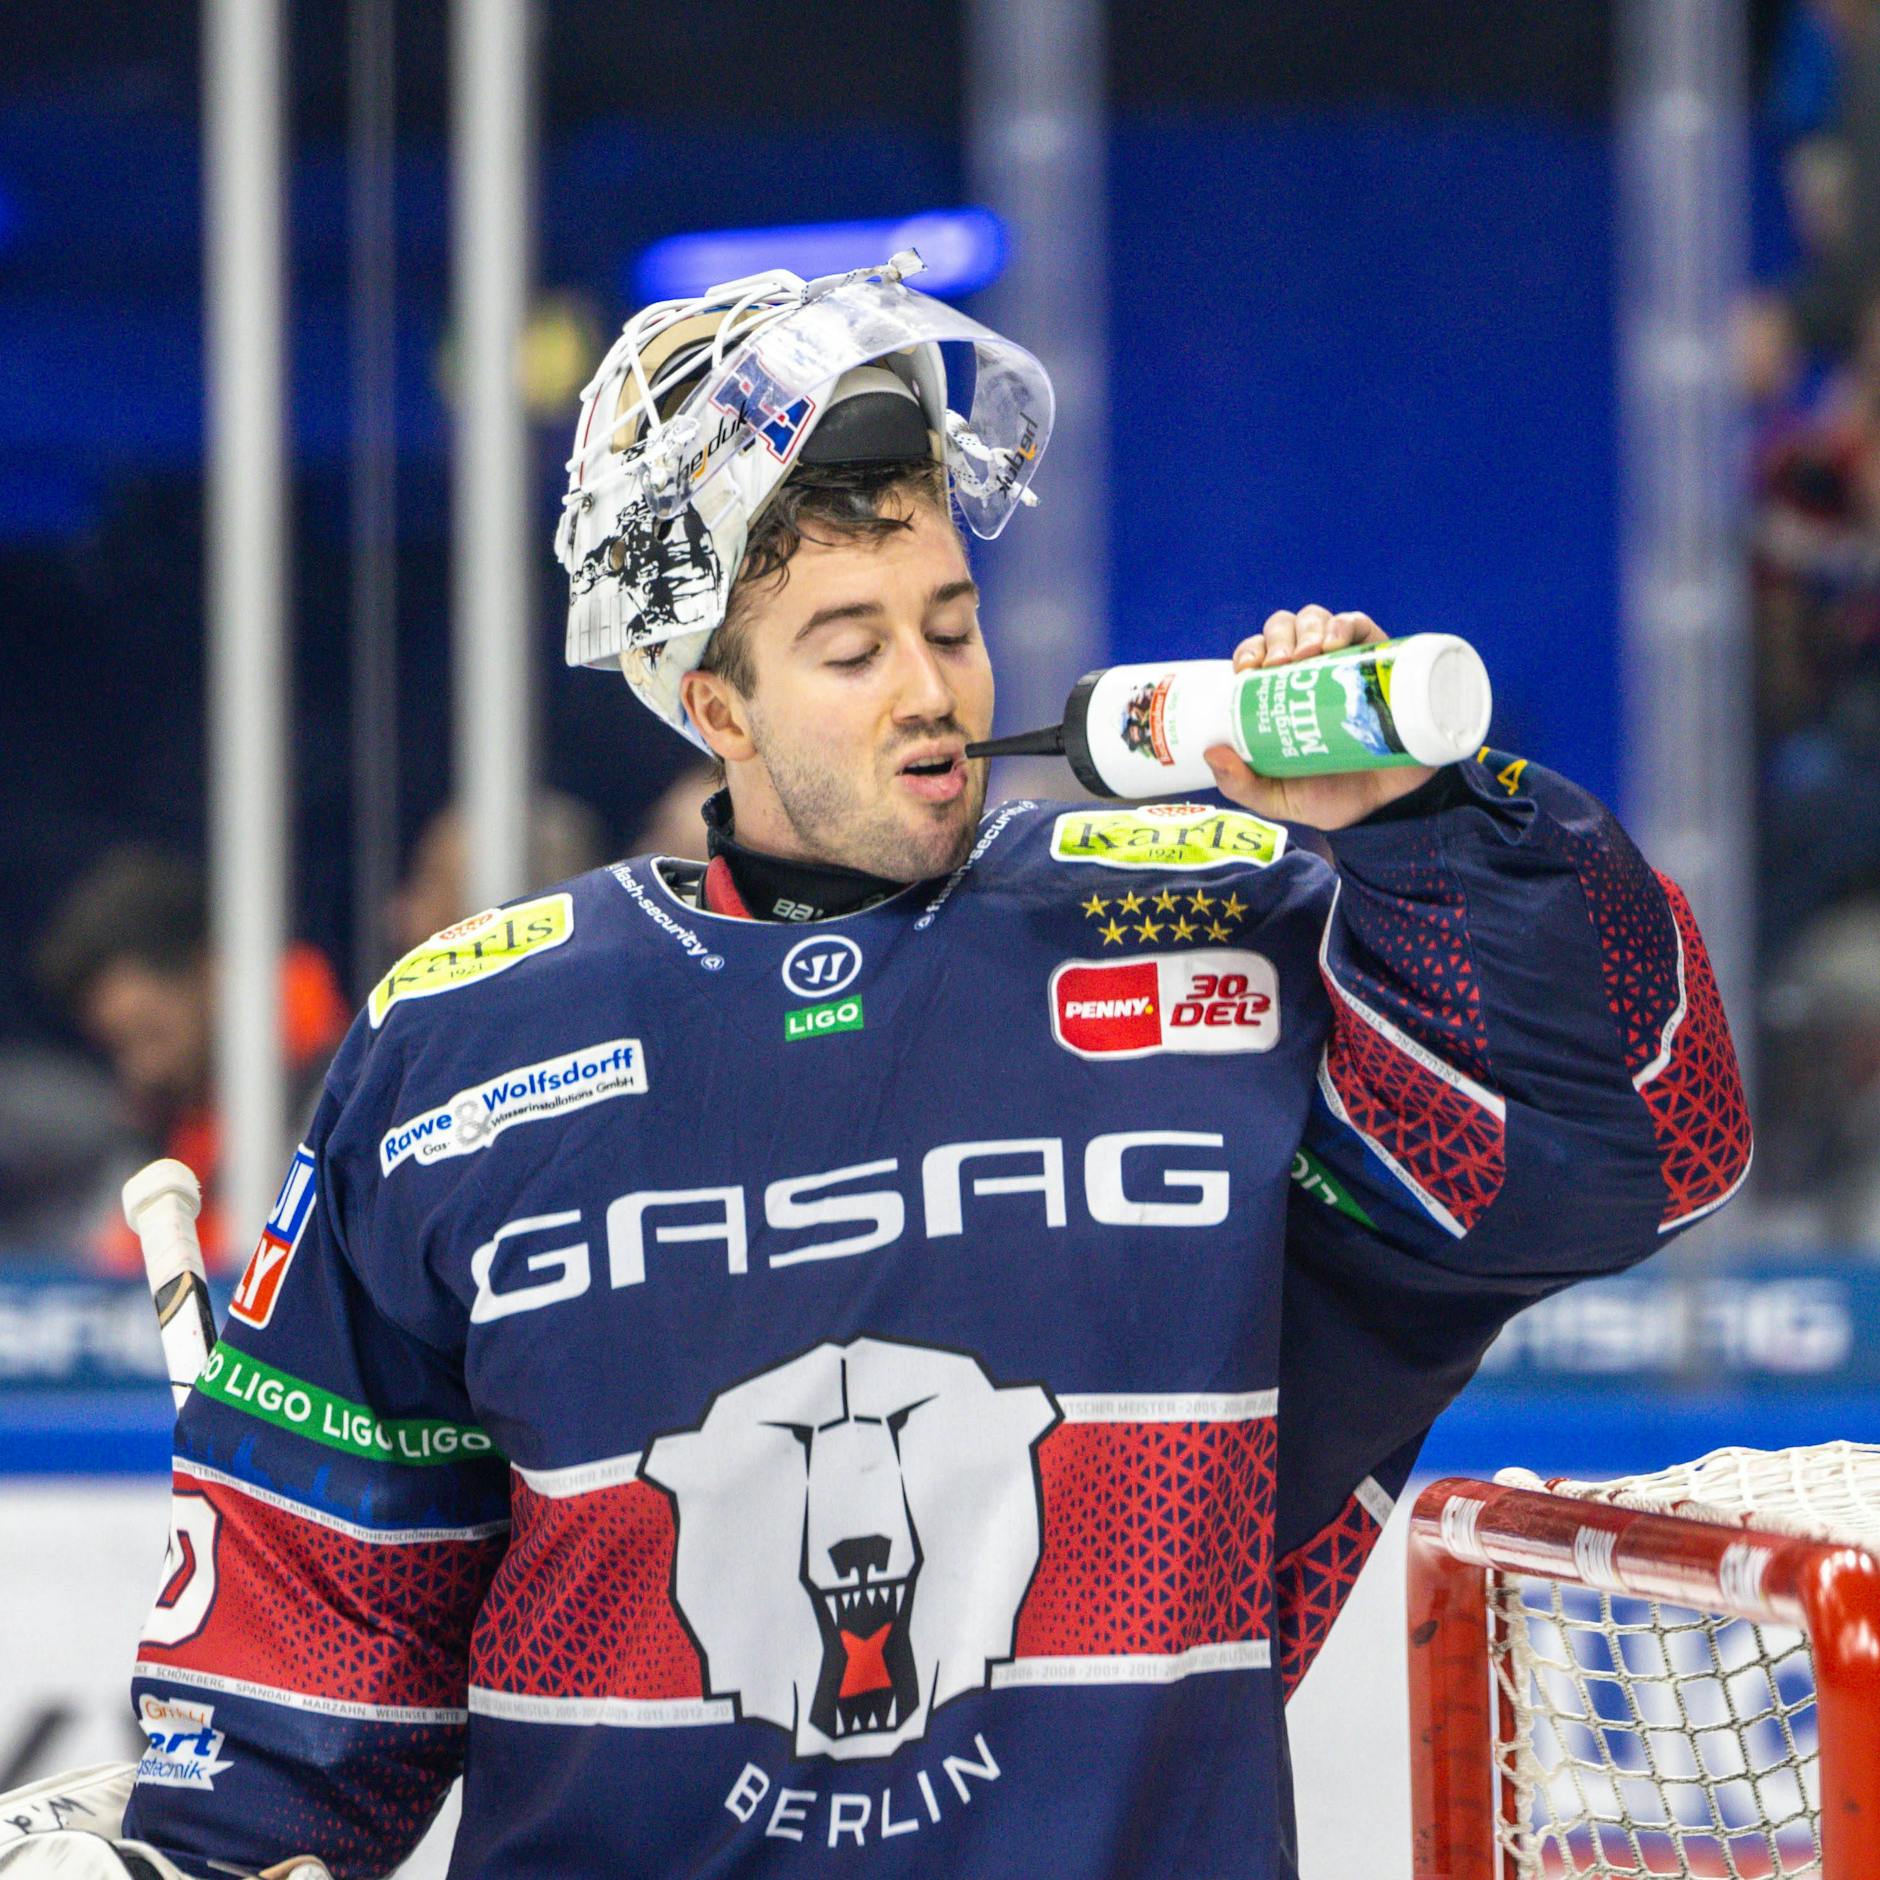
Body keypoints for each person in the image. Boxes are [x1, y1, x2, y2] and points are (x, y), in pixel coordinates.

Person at [14, 257, 1750, 1879]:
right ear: (713, 702)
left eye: (950, 616)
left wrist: (1425, 837)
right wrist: (190, 1849)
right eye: (848, 649)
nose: (932, 689)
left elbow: (1645, 1135)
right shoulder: (464, 1041)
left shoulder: (1210, 945)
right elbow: (317, 1639)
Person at [32, 848, 350, 1272]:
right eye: (121, 1047)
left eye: (152, 1032)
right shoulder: (164, 1123)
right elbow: (112, 1269)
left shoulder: (342, 1096)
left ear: (212, 970)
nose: (143, 1069)